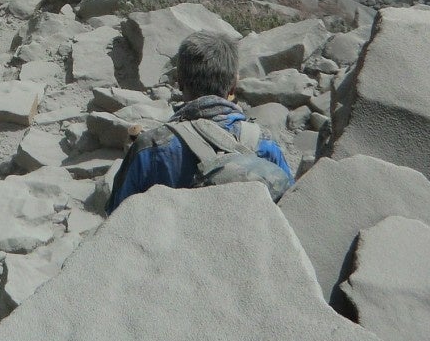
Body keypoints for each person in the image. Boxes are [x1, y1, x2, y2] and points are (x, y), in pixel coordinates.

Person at [106, 30, 293, 212]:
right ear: (233, 86)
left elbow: (117, 218)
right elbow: (292, 206)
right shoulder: (265, 144)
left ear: (179, 81)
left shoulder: (150, 147)